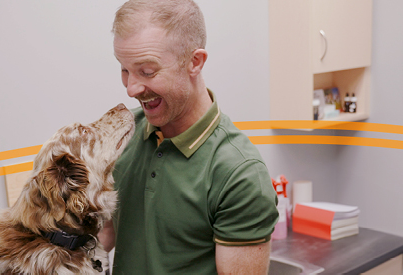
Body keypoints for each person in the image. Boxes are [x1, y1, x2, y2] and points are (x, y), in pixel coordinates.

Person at [98, 0, 279, 274]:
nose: (131, 89)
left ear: (195, 62)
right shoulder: (120, 136)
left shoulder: (238, 174)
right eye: (125, 69)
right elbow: (102, 235)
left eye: (147, 71)